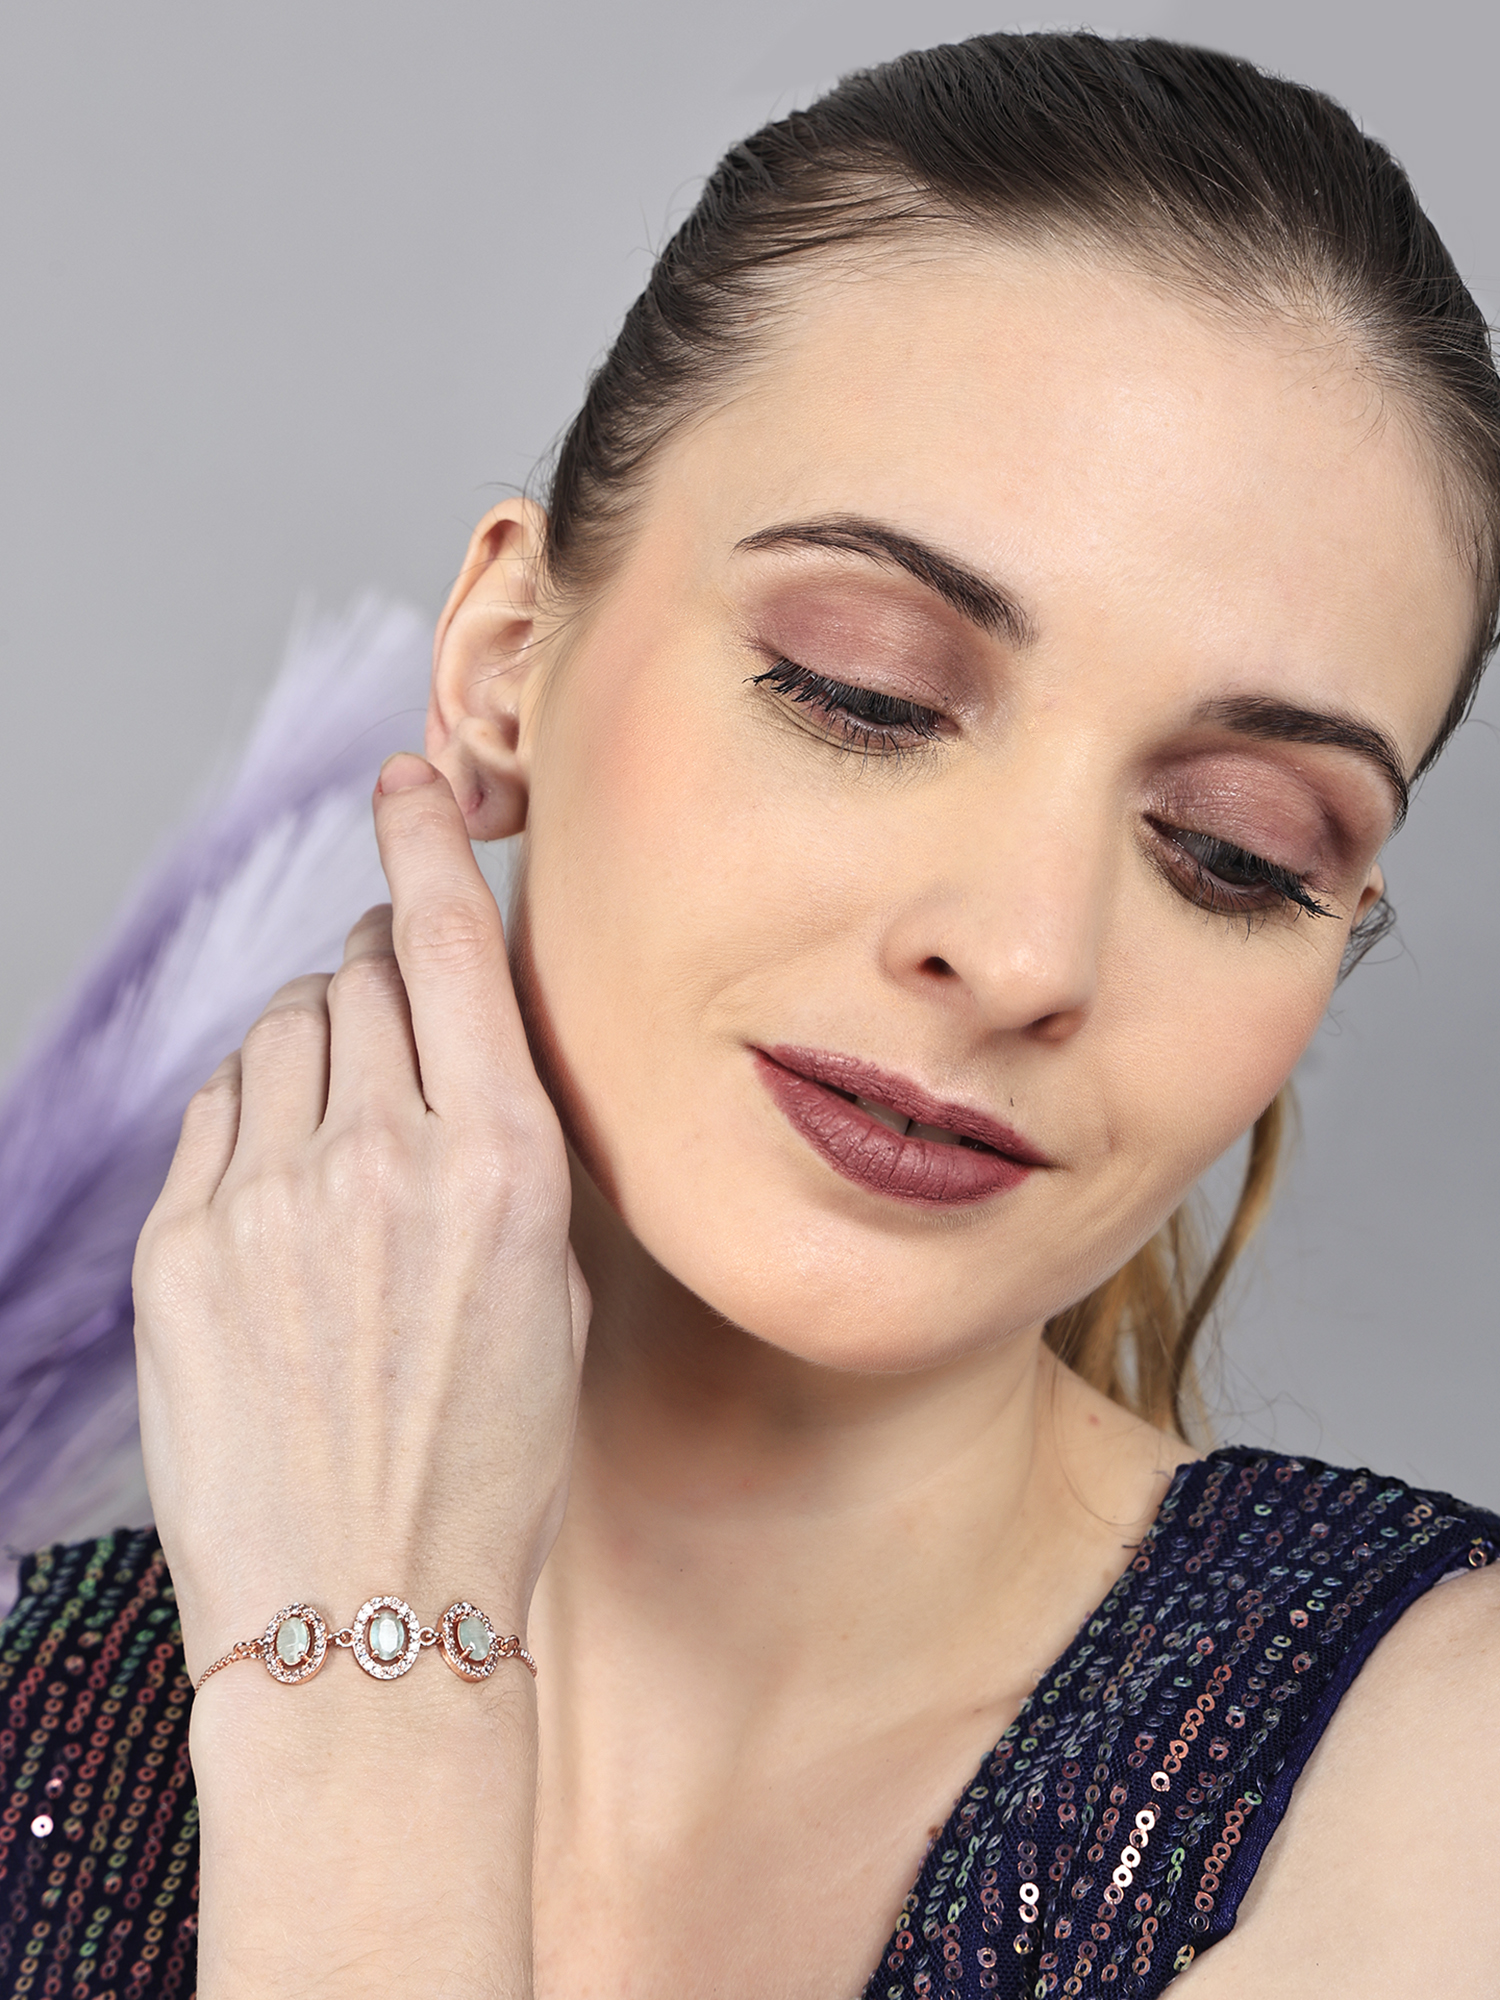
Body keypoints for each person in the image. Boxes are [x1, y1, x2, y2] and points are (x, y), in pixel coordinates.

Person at [1, 29, 1497, 2000]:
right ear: (505, 664)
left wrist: (370, 1718)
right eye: (864, 692)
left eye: (1235, 851)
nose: (1024, 951)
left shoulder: (1443, 1790)